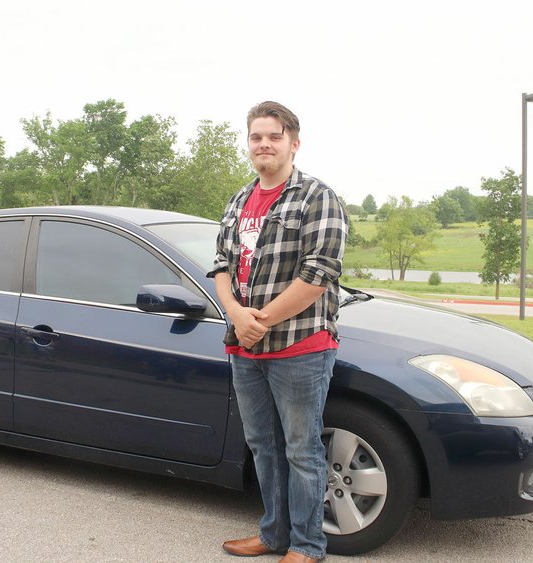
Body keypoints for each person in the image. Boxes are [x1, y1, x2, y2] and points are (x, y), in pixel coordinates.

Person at [208, 101, 347, 563]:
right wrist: (235, 314)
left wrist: (258, 319)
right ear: (248, 143)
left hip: (299, 348)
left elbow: (318, 273)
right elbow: (222, 265)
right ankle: (273, 536)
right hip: (245, 349)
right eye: (256, 137)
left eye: (273, 136)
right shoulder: (239, 200)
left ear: (293, 143)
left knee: (301, 450)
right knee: (262, 446)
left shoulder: (316, 197)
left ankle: (308, 547)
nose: (264, 144)